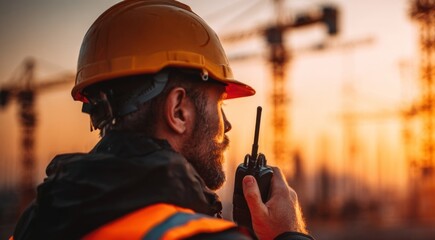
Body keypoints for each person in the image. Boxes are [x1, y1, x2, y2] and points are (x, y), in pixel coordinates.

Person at [11, 1, 312, 239]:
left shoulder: (32, 225)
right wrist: (290, 234)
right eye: (218, 104)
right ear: (179, 110)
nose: (227, 125)